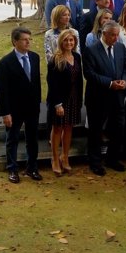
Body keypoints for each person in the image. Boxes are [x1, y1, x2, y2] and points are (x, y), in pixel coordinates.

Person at [0, 27, 42, 183]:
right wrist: (5, 113)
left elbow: (37, 84)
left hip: (32, 107)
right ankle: (12, 169)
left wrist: (38, 103)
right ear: (15, 41)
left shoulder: (35, 58)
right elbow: (1, 90)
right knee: (12, 139)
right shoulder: (5, 63)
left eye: (30, 39)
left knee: (32, 139)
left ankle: (32, 168)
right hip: (14, 109)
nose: (28, 42)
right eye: (24, 39)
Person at [83, 21, 126, 176]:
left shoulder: (120, 48)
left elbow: (124, 68)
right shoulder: (91, 50)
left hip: (117, 96)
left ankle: (113, 159)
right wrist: (110, 84)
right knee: (96, 131)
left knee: (118, 128)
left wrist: (124, 80)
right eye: (112, 35)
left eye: (117, 35)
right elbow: (89, 74)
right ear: (104, 33)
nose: (115, 38)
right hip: (98, 97)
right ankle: (95, 162)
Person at [47, 29, 83, 176]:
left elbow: (79, 79)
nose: (69, 43)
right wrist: (57, 104)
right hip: (60, 100)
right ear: (61, 42)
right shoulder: (55, 59)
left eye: (71, 40)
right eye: (66, 40)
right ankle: (55, 159)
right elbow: (52, 83)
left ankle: (65, 157)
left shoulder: (77, 56)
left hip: (74, 98)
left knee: (69, 127)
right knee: (57, 129)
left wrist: (80, 99)